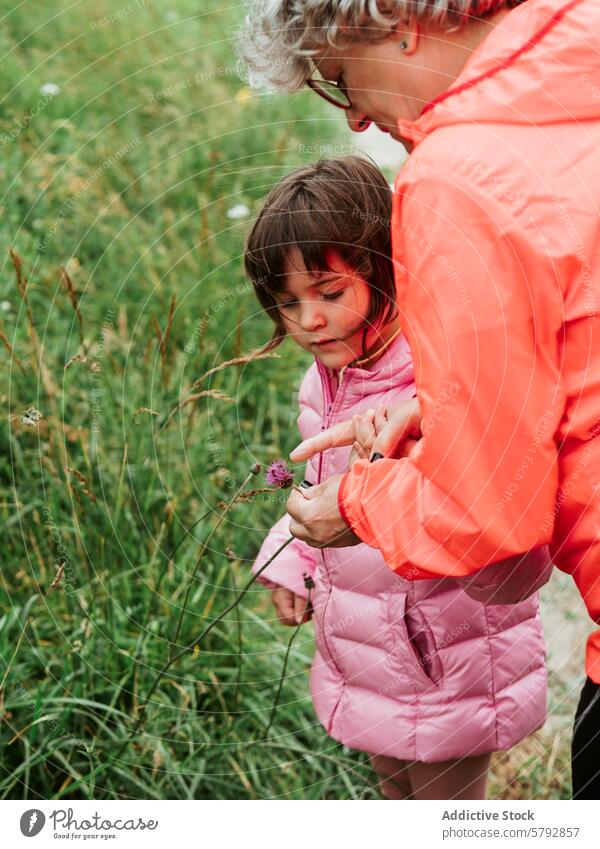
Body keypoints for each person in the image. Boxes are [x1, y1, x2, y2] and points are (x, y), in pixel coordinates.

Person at [238, 0, 600, 798]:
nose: (358, 118)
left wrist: (360, 502)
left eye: (340, 80)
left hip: (449, 673)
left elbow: (493, 521)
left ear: (397, 23)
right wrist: (440, 417)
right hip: (372, 674)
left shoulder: (458, 176)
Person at [245, 156, 548, 800]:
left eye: (330, 293)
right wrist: (291, 558)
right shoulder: (325, 380)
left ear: (388, 269)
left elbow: (483, 506)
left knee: (445, 807)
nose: (308, 321)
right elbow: (327, 491)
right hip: (367, 646)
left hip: (449, 651)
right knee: (393, 783)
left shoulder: (436, 380)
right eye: (287, 303)